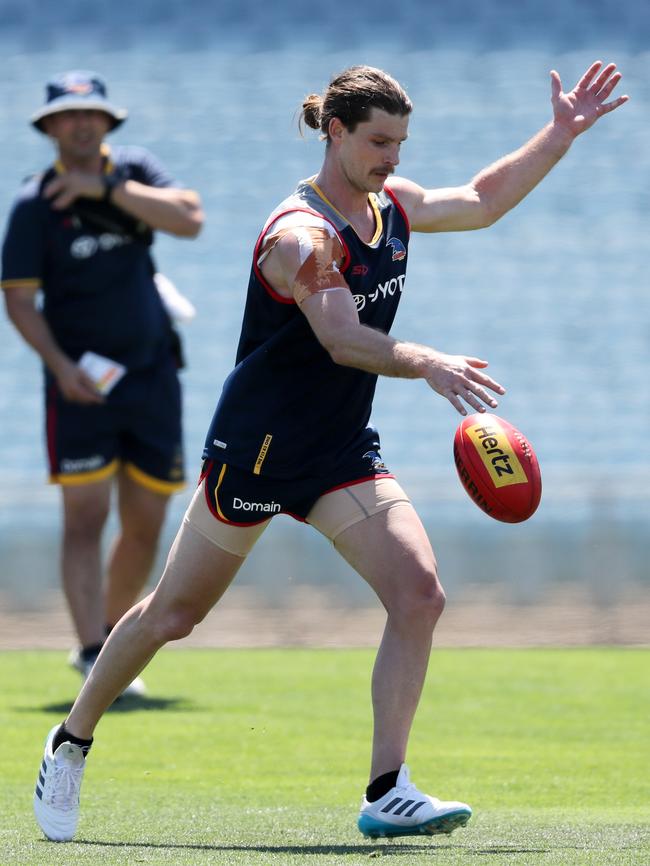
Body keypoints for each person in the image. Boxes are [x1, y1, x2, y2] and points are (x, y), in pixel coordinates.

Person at [31, 61, 627, 843]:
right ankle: (70, 742)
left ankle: (388, 789)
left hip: (341, 450)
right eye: (379, 141)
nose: (394, 158)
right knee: (172, 614)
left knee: (420, 594)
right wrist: (428, 362)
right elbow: (344, 340)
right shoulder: (298, 236)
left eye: (402, 142)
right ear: (335, 131)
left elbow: (481, 201)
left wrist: (559, 134)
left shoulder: (392, 206)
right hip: (260, 449)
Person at [1, 71, 204, 696]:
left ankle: (115, 639)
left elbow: (190, 218)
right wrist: (62, 368)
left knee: (145, 520)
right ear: (50, 128)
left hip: (151, 377)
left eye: (92, 113)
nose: (82, 123)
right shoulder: (35, 205)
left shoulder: (134, 169)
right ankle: (93, 648)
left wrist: (107, 190)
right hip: (79, 387)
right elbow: (20, 301)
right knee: (84, 517)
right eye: (68, 115)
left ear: (108, 123)